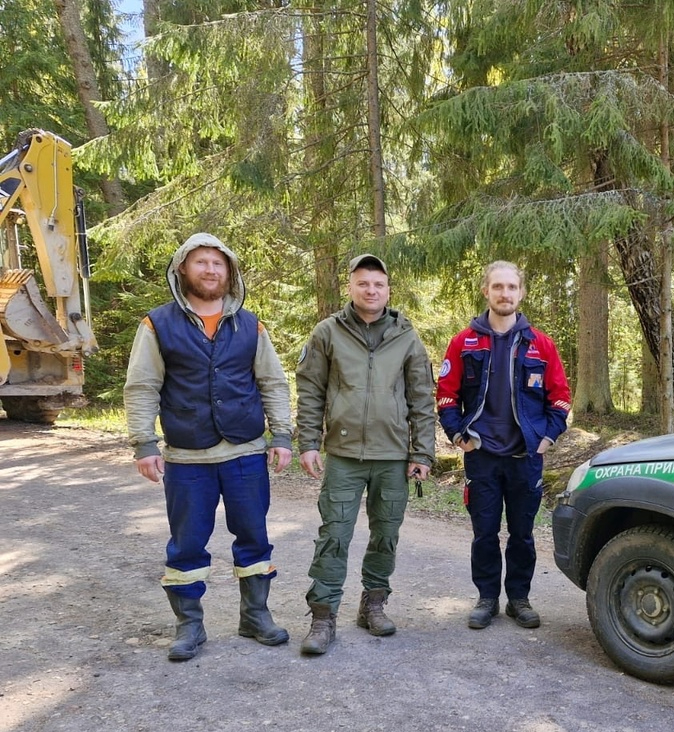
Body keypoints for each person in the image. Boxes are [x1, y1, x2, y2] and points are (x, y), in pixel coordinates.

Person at [124, 233, 294, 662]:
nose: (211, 270)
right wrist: (144, 443)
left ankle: (255, 616)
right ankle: (190, 626)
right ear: (182, 268)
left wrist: (283, 435)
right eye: (201, 262)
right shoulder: (157, 324)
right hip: (186, 458)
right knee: (186, 544)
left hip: (246, 453)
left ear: (230, 271)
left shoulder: (250, 324)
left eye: (218, 263)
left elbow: (272, 382)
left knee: (254, 537)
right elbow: (143, 385)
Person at [295, 254, 436, 655]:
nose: (371, 290)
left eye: (378, 284)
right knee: (334, 536)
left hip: (392, 456)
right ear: (351, 288)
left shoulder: (407, 336)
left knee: (386, 535)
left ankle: (374, 603)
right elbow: (310, 392)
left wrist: (421, 453)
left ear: (388, 290)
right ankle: (323, 617)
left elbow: (422, 400)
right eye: (363, 283)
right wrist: (308, 442)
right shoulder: (327, 333)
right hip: (342, 456)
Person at [437, 260, 571, 629]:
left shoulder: (540, 345)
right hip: (481, 456)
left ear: (521, 293)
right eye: (498, 287)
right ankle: (486, 599)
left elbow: (560, 398)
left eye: (512, 287)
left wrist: (547, 436)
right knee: (484, 533)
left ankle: (519, 599)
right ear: (486, 291)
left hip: (525, 457)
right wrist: (457, 435)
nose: (505, 293)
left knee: (523, 535)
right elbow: (446, 396)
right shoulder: (463, 342)